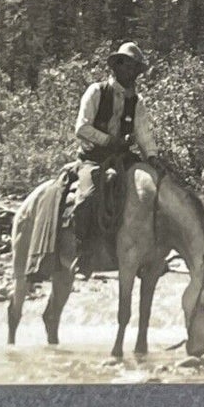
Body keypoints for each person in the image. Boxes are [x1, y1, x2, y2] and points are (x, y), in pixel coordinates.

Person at [71, 42, 156, 270]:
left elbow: (143, 134)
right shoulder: (97, 92)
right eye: (126, 66)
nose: (130, 72)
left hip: (123, 157)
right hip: (94, 157)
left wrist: (153, 157)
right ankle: (83, 250)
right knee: (87, 197)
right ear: (116, 67)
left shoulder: (137, 102)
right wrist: (109, 140)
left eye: (134, 68)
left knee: (150, 192)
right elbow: (81, 127)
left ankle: (148, 253)